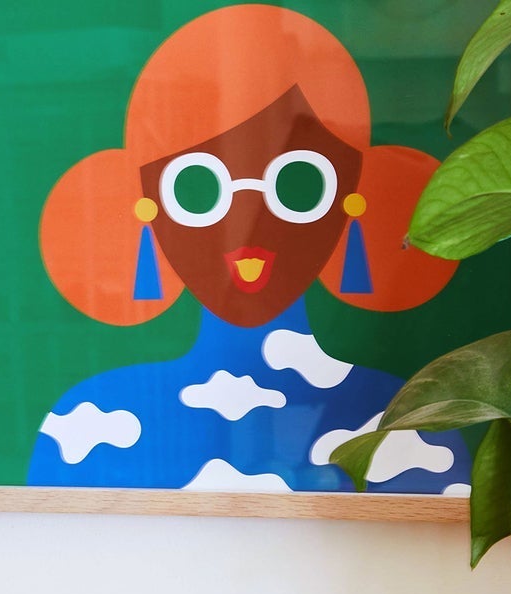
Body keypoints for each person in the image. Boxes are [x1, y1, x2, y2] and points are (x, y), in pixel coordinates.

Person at [29, 5, 471, 496]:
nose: (247, 224)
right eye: (197, 187)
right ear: (144, 206)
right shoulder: (88, 421)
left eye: (299, 184)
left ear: (354, 201)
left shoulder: (411, 423)